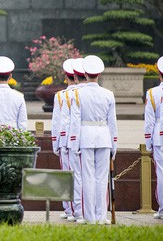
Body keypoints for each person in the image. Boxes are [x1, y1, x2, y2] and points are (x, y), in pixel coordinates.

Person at [68, 55, 118, 225]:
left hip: (86, 137)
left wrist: (73, 144)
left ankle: (90, 217)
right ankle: (101, 216)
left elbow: (74, 121)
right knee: (101, 178)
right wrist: (114, 145)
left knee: (88, 178)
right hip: (104, 137)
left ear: (85, 74)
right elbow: (112, 122)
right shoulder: (108, 94)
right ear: (99, 75)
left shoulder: (77, 93)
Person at [144, 55, 163, 220]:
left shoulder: (152, 93)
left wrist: (148, 141)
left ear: (158, 73)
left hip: (158, 136)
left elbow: (149, 121)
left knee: (162, 173)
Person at [52, 59, 76, 220]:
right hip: (83, 139)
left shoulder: (62, 96)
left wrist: (56, 142)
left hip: (67, 139)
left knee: (68, 174)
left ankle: (71, 209)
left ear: (67, 77)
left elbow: (59, 121)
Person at [66, 57, 86, 222]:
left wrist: (64, 142)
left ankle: (76, 210)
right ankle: (97, 214)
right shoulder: (106, 94)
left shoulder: (67, 95)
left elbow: (68, 121)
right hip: (100, 140)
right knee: (97, 178)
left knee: (75, 175)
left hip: (76, 139)